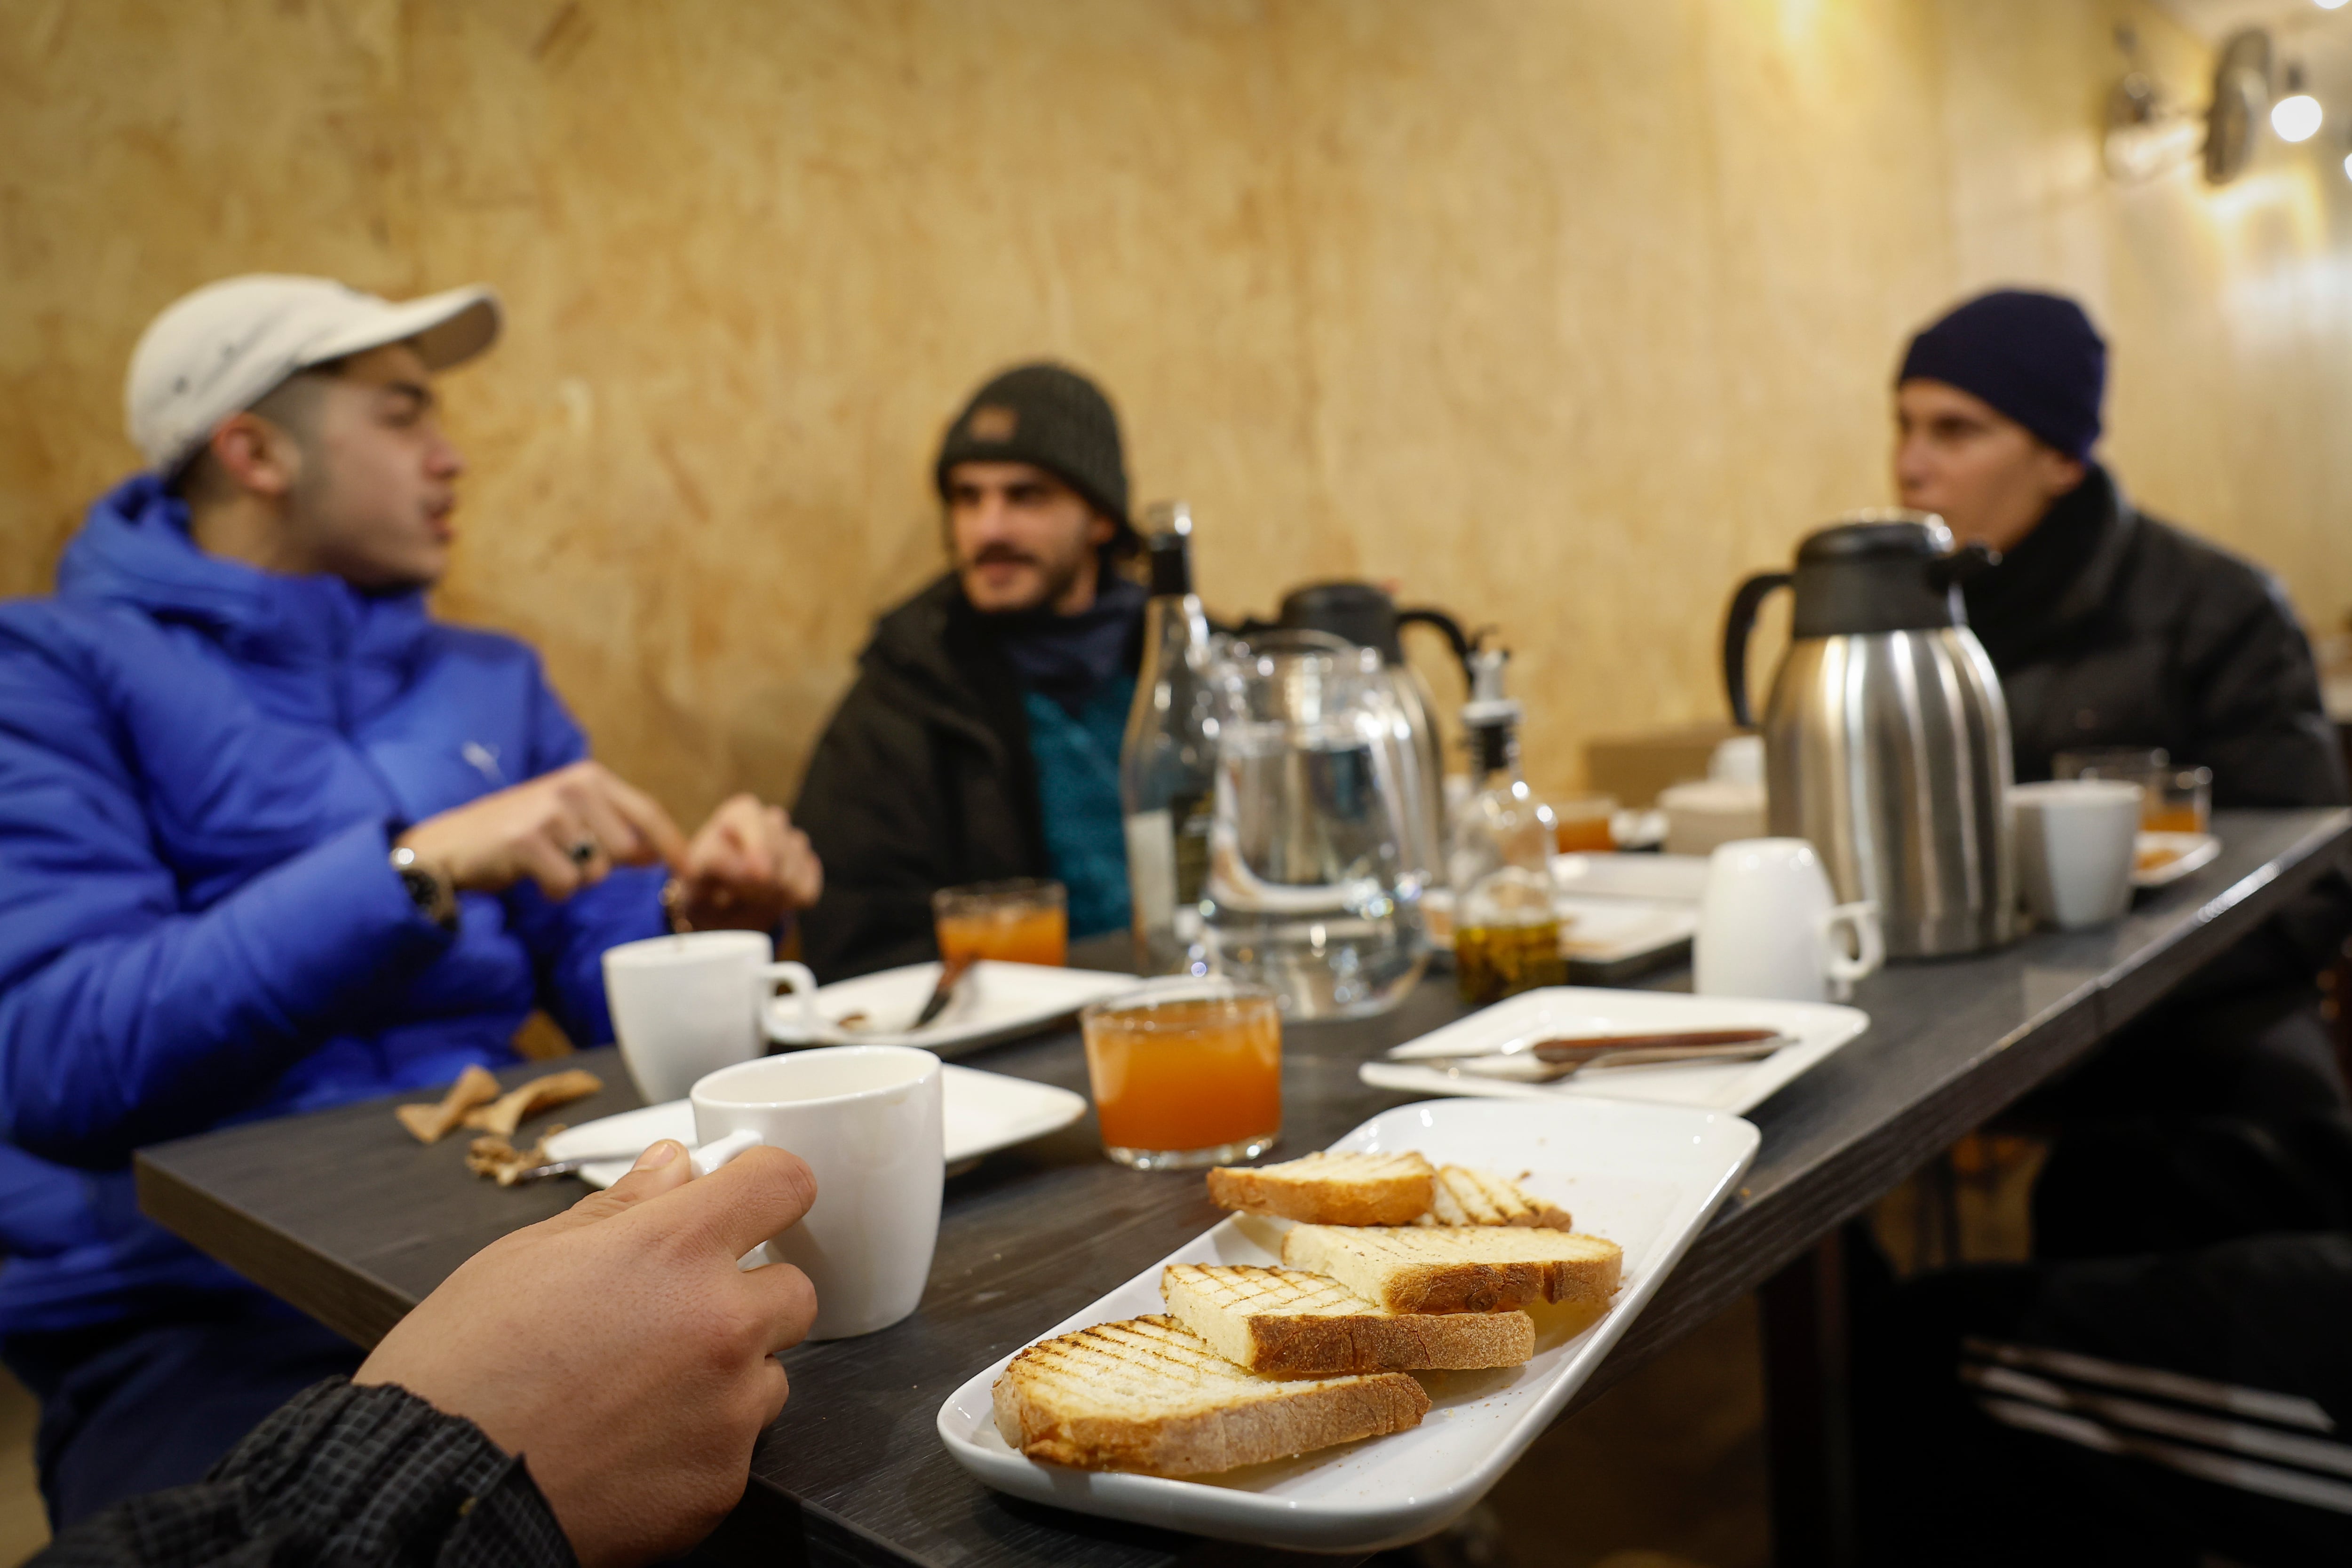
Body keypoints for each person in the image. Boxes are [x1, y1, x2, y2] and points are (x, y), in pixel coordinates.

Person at [0, 274, 822, 1527]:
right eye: (401, 415)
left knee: (834, 1464)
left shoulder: (492, 675)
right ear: (255, 449)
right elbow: (56, 1054)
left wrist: (705, 921)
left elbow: (596, 965)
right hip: (203, 1307)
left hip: (496, 1250)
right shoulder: (51, 668)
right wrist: (412, 865)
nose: (452, 458)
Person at [1891, 286, 2349, 1124]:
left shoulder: (2217, 606)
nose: (1910, 464)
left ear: (2062, 457)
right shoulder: (1909, 633)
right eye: (1905, 425)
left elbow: (2310, 880)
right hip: (1953, 1021)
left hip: (2179, 1026)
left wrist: (2087, 995)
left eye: (1955, 430)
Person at [31, 1138, 821, 1568]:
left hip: (464, 1248)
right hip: (182, 1305)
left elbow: (588, 954)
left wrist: (676, 903)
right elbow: (52, 1057)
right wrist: (404, 881)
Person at [793, 363, 1146, 978]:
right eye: (967, 497)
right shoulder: (907, 693)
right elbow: (854, 946)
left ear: (1101, 517)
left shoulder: (1185, 665)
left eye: (1026, 496)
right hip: (1019, 1051)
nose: (989, 529)